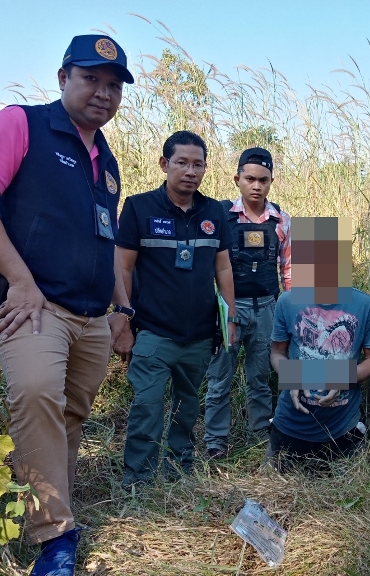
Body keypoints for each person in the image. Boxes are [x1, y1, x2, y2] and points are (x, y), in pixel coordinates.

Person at [0, 35, 135, 575]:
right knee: (35, 397)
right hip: (35, 307)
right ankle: (55, 539)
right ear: (62, 78)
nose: (102, 93)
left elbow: (106, 241)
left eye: (113, 85)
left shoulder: (107, 161)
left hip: (93, 317)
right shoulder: (22, 124)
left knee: (71, 415)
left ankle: (54, 506)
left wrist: (122, 310)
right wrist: (21, 280)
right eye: (90, 79)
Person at [115, 130, 237, 488]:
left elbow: (223, 268)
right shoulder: (139, 208)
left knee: (188, 406)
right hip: (152, 331)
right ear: (164, 164)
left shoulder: (214, 212)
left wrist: (230, 318)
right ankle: (138, 479)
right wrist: (123, 320)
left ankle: (179, 469)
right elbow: (122, 267)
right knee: (147, 405)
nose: (190, 171)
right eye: (182, 162)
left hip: (199, 335)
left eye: (198, 164)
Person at [266, 217, 370, 470]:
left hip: (342, 426)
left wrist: (341, 378)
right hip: (290, 423)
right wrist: (293, 377)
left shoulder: (363, 305)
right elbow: (277, 353)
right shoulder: (288, 302)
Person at [203, 147, 291, 459]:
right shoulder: (221, 215)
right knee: (219, 379)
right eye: (250, 179)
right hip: (228, 308)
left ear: (271, 182)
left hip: (267, 308)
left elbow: (289, 269)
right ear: (237, 179)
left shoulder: (282, 219)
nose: (256, 186)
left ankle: (260, 435)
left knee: (260, 378)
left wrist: (290, 311)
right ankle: (215, 441)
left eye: (263, 180)